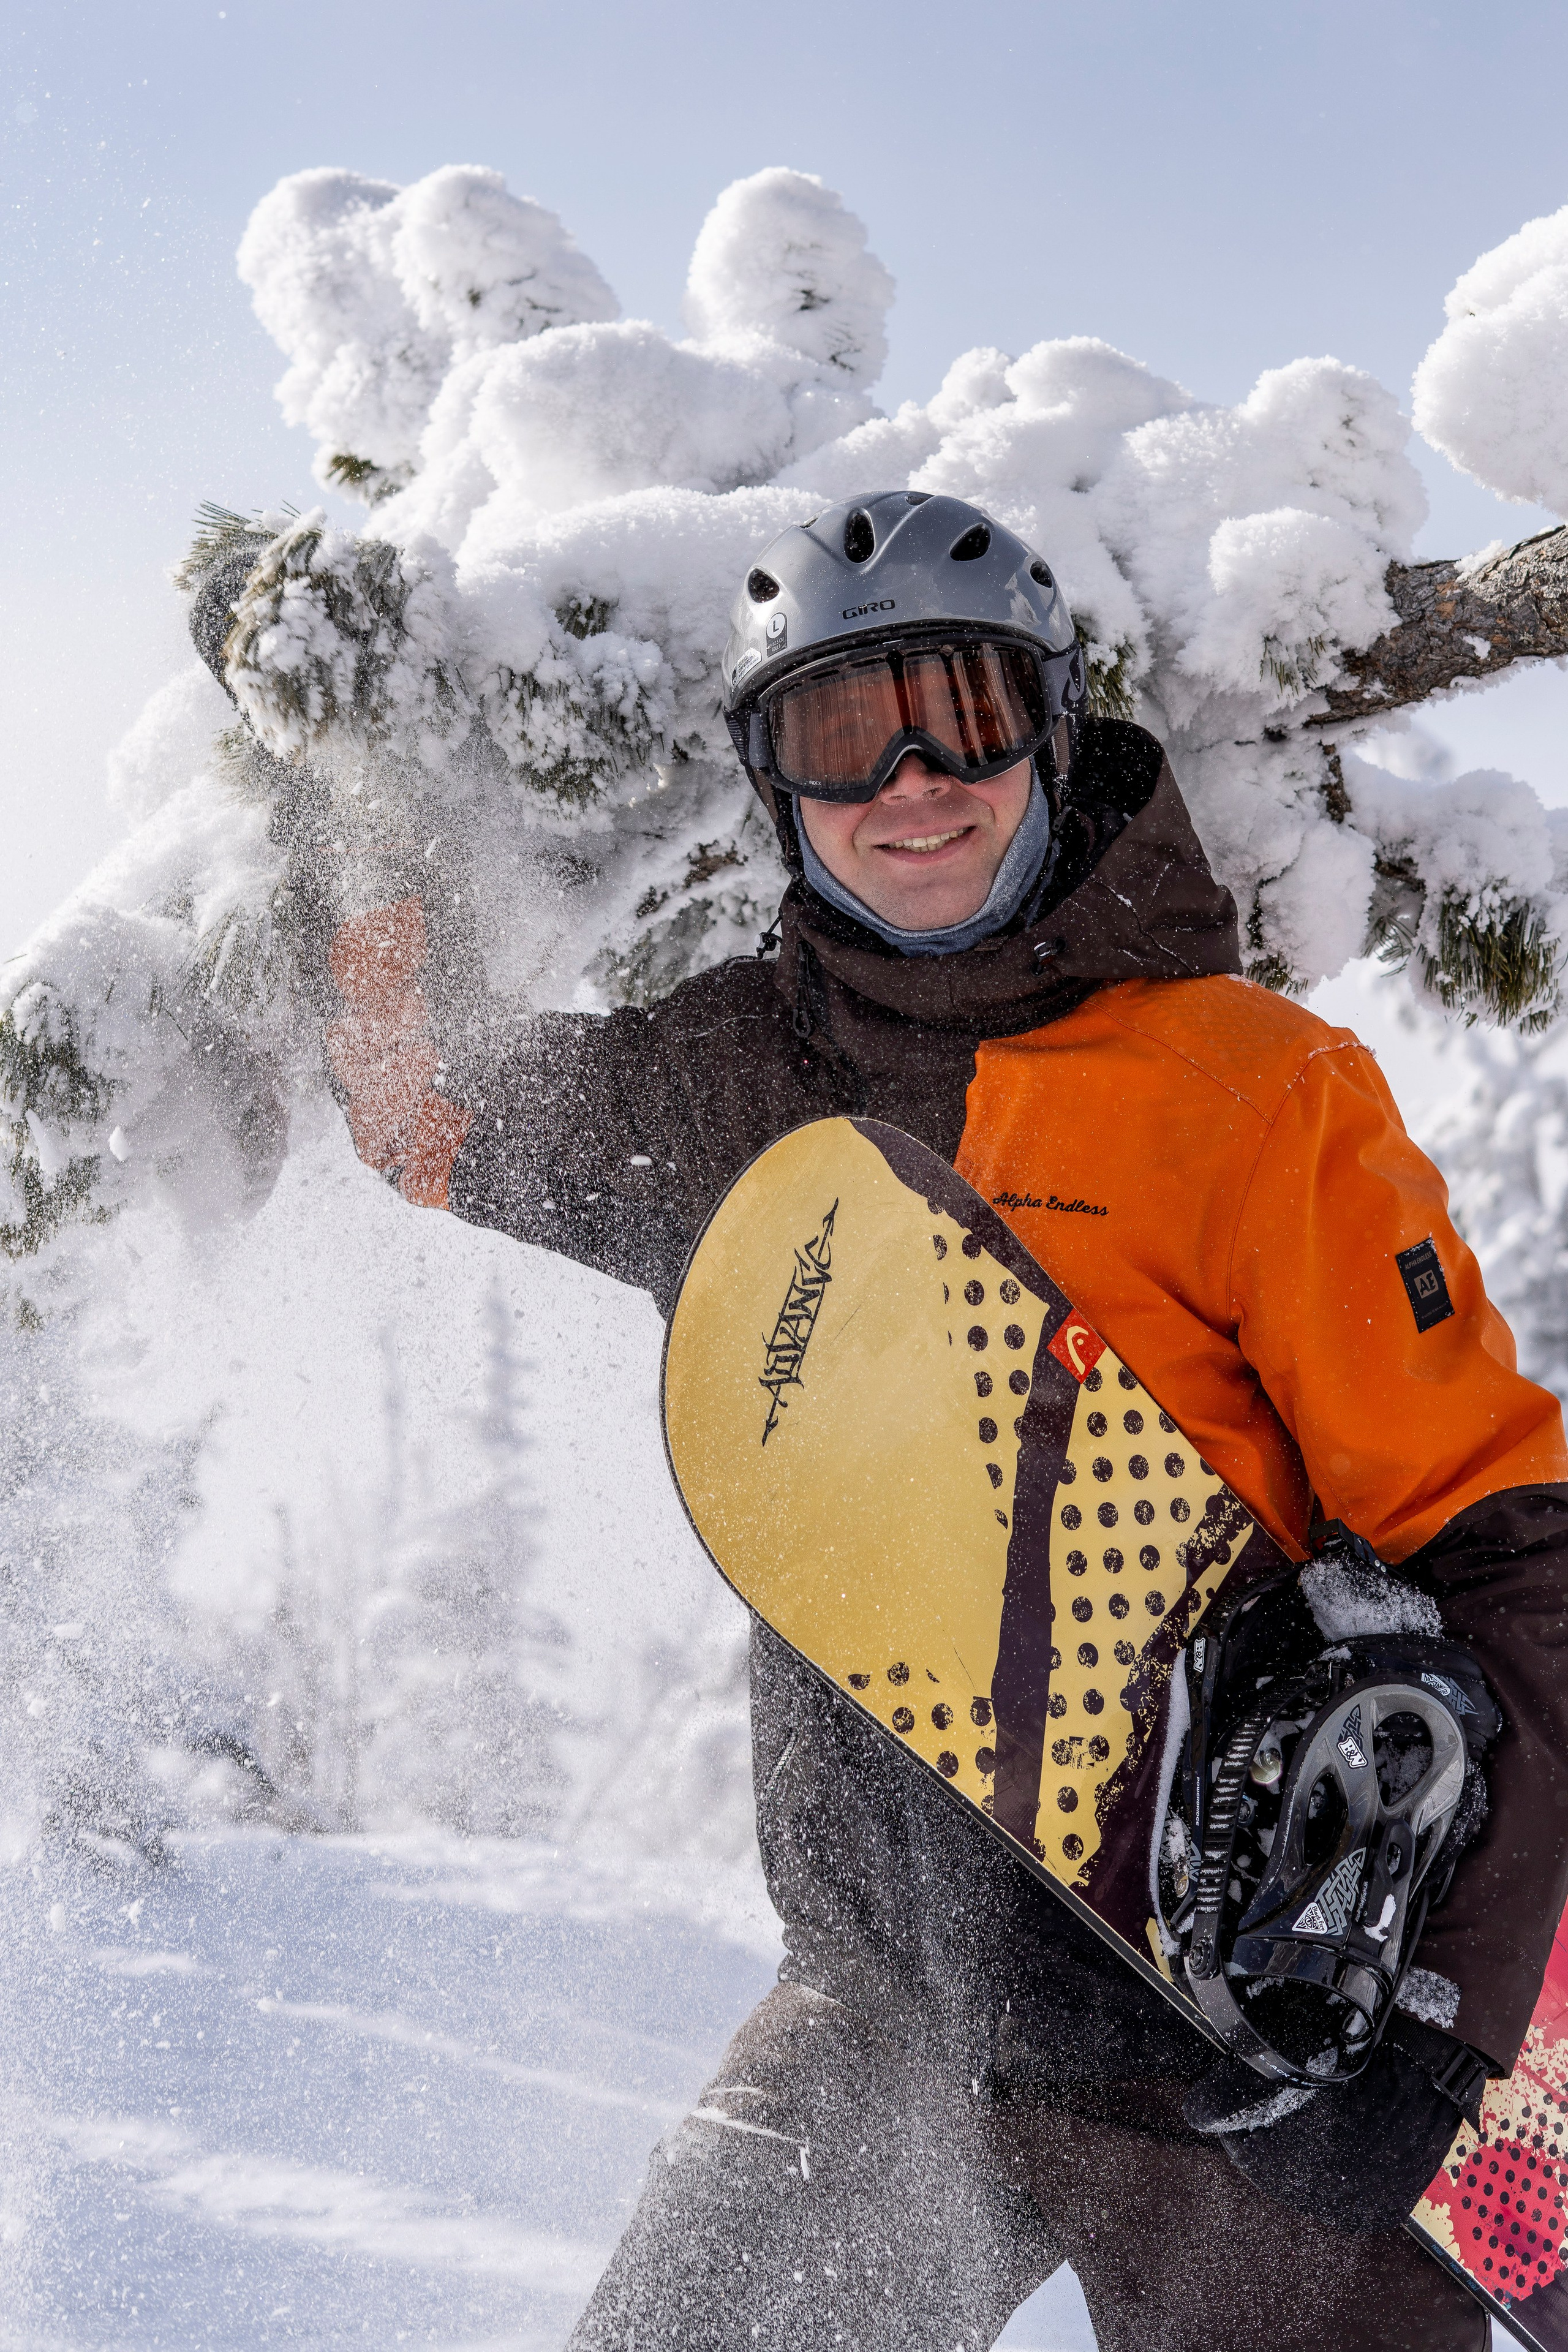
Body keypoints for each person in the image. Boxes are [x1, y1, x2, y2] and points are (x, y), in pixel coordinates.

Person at [323, 491, 1568, 2351]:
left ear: (1051, 729)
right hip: (890, 2027)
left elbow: (1509, 1549)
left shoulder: (1249, 1088)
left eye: (962, 715)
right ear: (775, 787)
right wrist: (350, 766)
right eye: (839, 734)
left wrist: (1441, 2030)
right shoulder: (738, 1084)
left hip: (1258, 2052)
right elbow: (429, 1117)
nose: (911, 780)